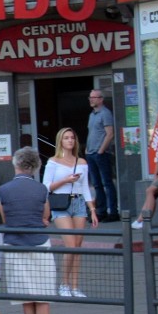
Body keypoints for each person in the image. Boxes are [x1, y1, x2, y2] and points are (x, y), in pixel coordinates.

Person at [0, 147, 57, 314]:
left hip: (15, 245)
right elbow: (45, 216)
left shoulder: (3, 190)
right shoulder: (41, 189)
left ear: (16, 164)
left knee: (26, 297)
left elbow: (4, 218)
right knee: (43, 296)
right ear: (34, 167)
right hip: (39, 244)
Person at [42, 127, 98, 298]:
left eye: (72, 138)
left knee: (78, 247)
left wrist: (92, 210)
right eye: (66, 138)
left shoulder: (81, 162)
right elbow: (46, 187)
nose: (70, 141)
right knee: (71, 245)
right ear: (60, 141)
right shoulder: (53, 161)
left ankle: (75, 286)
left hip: (79, 202)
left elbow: (85, 187)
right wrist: (66, 180)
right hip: (61, 203)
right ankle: (64, 284)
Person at [86, 89, 119, 222]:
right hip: (91, 153)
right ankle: (101, 211)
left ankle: (113, 212)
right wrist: (88, 151)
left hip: (101, 154)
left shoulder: (105, 113)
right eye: (90, 97)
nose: (91, 100)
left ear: (101, 99)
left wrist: (100, 150)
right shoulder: (92, 114)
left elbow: (110, 133)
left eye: (94, 97)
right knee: (97, 184)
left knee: (107, 183)